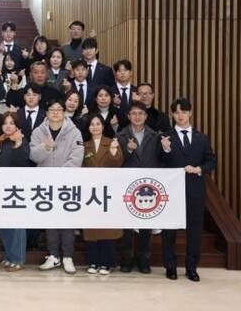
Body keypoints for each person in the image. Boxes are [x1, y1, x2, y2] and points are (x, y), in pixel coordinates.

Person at [160, 98, 216, 282]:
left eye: (183, 112)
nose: (180, 115)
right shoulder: (166, 137)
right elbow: (159, 162)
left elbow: (211, 161)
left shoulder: (202, 138)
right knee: (169, 230)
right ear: (172, 114)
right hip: (171, 191)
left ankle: (192, 267)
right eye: (176, 112)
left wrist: (199, 169)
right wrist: (166, 150)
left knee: (194, 230)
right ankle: (170, 267)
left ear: (190, 113)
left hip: (195, 191)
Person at [30, 99, 84, 274]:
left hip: (67, 183)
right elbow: (33, 156)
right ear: (46, 113)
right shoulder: (38, 131)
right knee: (50, 220)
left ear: (64, 112)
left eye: (59, 109)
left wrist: (61, 175)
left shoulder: (74, 132)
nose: (55, 112)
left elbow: (77, 156)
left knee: (67, 220)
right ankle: (53, 255)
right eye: (51, 109)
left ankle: (67, 256)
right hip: (46, 184)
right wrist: (45, 147)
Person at [116, 100, 162, 274]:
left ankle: (143, 259)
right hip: (128, 185)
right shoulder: (120, 136)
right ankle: (127, 259)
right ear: (128, 116)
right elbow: (116, 161)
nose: (137, 116)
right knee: (127, 225)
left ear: (146, 116)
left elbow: (161, 160)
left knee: (145, 223)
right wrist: (128, 150)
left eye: (140, 113)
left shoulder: (155, 136)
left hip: (147, 186)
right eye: (133, 113)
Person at [82, 114, 124, 275]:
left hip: (108, 192)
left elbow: (118, 163)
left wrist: (113, 152)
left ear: (103, 126)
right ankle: (93, 262)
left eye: (98, 124)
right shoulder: (84, 145)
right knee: (91, 229)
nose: (95, 127)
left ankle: (107, 263)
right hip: (90, 192)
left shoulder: (112, 142)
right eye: (92, 124)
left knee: (107, 229)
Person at [0, 112, 29, 271]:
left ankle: (18, 259)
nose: (8, 126)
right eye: (5, 123)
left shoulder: (21, 140)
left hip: (17, 190)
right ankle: (8, 256)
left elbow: (24, 161)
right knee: (4, 225)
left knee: (17, 225)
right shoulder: (0, 141)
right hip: (1, 189)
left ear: (17, 126)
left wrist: (18, 142)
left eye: (11, 123)